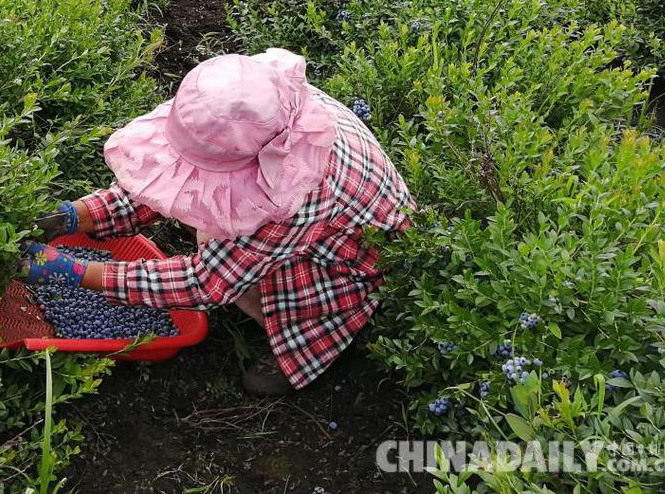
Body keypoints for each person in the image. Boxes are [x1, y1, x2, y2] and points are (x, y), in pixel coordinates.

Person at [23, 49, 414, 396]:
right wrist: (73, 216)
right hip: (309, 227)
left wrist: (78, 272)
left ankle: (311, 343)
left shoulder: (295, 194)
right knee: (219, 225)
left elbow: (207, 282)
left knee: (267, 284)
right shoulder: (262, 109)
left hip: (350, 261)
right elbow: (169, 180)